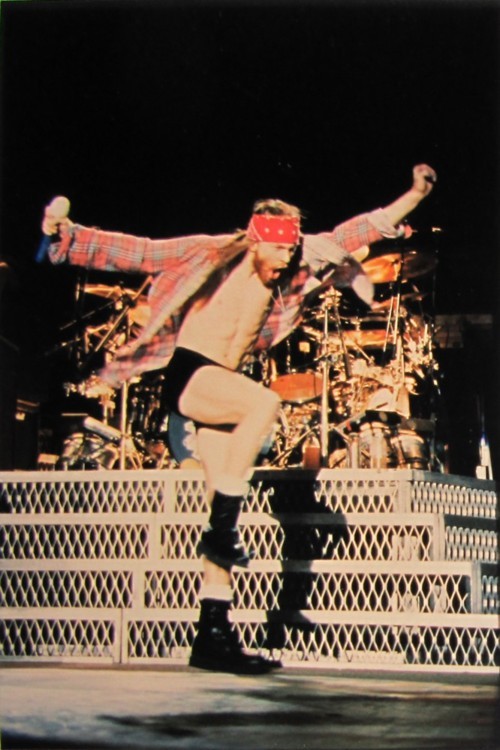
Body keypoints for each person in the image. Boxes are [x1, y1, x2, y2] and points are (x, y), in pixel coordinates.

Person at [42, 163, 436, 674]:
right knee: (264, 405)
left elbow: (355, 232)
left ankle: (212, 633)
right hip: (190, 374)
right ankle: (222, 533)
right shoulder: (210, 253)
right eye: (278, 252)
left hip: (222, 387)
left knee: (221, 508)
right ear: (256, 240)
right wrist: (67, 237)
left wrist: (414, 195)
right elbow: (138, 252)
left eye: (291, 251)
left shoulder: (298, 262)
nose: (285, 262)